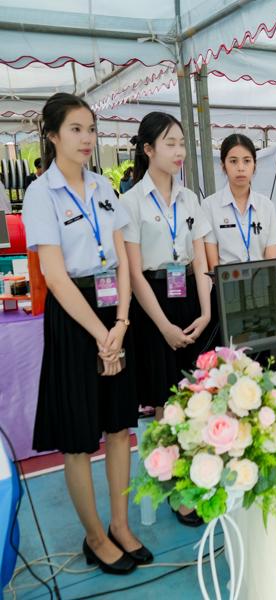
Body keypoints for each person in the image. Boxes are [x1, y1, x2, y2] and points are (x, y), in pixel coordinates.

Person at [22, 93, 150, 575]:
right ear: (52, 135)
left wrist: (121, 323)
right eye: (75, 129)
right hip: (75, 320)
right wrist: (101, 333)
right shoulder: (41, 194)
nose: (86, 138)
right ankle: (94, 536)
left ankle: (120, 524)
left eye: (91, 129)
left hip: (113, 315)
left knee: (118, 425)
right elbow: (54, 276)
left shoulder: (104, 187)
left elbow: (120, 260)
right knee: (79, 436)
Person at [120, 112, 213, 527]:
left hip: (190, 299)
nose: (179, 152)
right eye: (170, 143)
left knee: (196, 397)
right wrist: (162, 326)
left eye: (182, 143)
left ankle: (196, 479)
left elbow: (200, 261)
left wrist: (206, 311)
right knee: (164, 401)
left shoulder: (190, 199)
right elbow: (134, 273)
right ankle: (175, 488)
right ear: (148, 149)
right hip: (153, 305)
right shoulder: (131, 202)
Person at [203, 133, 276, 268]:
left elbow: (271, 260)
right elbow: (213, 264)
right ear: (223, 165)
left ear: (254, 165)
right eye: (233, 161)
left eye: (247, 161)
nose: (240, 168)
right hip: (225, 280)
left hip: (261, 278)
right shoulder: (209, 206)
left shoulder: (266, 206)